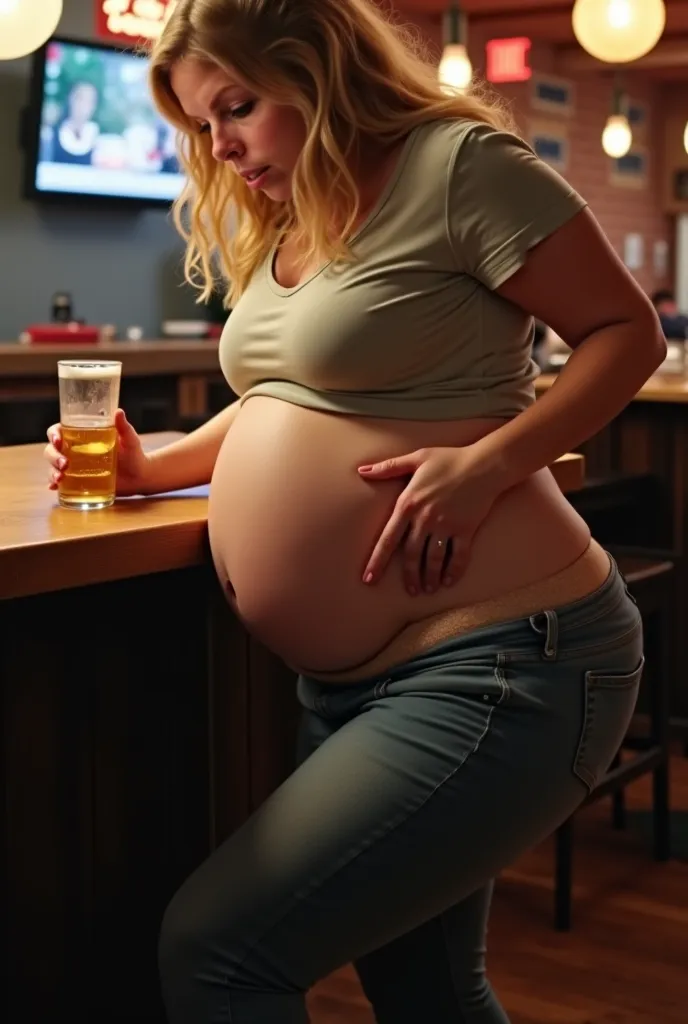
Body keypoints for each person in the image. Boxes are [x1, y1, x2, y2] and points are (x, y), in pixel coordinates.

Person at [44, 1, 667, 1021]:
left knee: (218, 952)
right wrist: (154, 468)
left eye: (236, 106)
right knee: (424, 985)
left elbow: (622, 331)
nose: (222, 144)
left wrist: (488, 465)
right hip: (357, 683)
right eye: (204, 125)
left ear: (314, 65)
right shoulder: (307, 210)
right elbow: (290, 395)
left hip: (506, 660)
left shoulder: (458, 166)